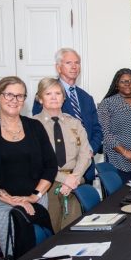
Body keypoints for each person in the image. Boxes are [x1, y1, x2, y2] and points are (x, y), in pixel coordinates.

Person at [0, 77, 56, 260]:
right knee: (17, 258)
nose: (14, 100)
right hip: (1, 206)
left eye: (20, 96)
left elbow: (50, 165)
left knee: (42, 252)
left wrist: (33, 196)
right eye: (9, 95)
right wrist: (13, 201)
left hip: (36, 202)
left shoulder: (35, 127)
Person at [33, 48, 102, 182]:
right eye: (69, 63)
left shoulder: (86, 97)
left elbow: (97, 129)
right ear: (58, 67)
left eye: (77, 63)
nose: (74, 66)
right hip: (54, 175)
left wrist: (89, 150)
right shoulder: (47, 95)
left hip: (84, 169)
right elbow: (40, 132)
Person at [33, 78, 93, 232]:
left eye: (58, 93)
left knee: (72, 231)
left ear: (64, 97)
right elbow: (36, 160)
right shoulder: (32, 125)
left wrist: (74, 178)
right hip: (48, 185)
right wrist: (64, 179)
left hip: (74, 184)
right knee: (50, 232)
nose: (54, 97)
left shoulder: (74, 123)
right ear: (40, 98)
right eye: (48, 93)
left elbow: (85, 153)